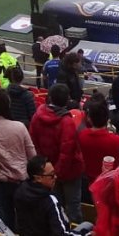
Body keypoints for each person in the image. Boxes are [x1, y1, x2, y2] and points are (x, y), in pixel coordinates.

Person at [0, 88, 37, 231]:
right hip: (21, 179)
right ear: (8, 105)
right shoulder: (20, 127)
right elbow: (32, 156)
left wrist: (1, 175)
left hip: (0, 182)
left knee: (6, 215)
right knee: (25, 217)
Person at [29, 83, 85, 224]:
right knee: (72, 208)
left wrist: (48, 172)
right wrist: (56, 174)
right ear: (67, 100)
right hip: (66, 173)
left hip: (48, 172)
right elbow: (67, 153)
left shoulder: (37, 116)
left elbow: (34, 144)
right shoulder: (66, 122)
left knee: (55, 207)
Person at [78, 94, 119, 197]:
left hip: (87, 184)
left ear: (89, 118)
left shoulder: (82, 136)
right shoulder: (117, 140)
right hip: (109, 186)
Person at [14, 156, 70, 236]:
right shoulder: (50, 200)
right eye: (52, 175)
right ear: (38, 178)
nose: (55, 177)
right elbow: (61, 233)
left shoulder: (19, 193)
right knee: (87, 225)